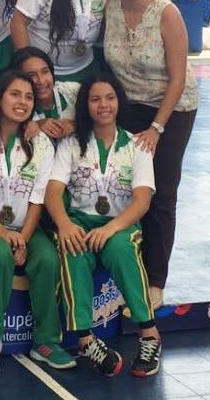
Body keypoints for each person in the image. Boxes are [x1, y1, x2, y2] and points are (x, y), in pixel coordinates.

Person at [0, 71, 75, 375]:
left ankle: (46, 342)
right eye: (15, 94)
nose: (22, 102)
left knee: (48, 257)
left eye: (28, 97)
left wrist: (23, 235)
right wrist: (2, 233)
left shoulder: (41, 144)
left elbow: (39, 196)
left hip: (24, 227)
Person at [45, 73, 162, 378]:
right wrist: (65, 224)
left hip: (120, 224)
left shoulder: (137, 146)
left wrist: (111, 229)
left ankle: (149, 333)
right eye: (95, 99)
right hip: (80, 222)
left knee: (122, 248)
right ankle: (85, 340)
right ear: (86, 105)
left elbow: (141, 202)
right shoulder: (71, 144)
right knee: (71, 248)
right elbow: (53, 191)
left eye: (109, 98)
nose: (103, 105)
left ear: (119, 102)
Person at [103, 0, 198, 309]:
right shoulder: (110, 7)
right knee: (126, 187)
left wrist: (157, 128)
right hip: (131, 106)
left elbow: (177, 78)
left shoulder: (166, 12)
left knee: (160, 191)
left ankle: (155, 282)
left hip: (172, 107)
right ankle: (127, 271)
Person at [11, 46, 79, 141]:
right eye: (32, 75)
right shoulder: (16, 106)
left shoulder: (73, 91)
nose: (41, 81)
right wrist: (37, 125)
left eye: (45, 72)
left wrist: (77, 124)